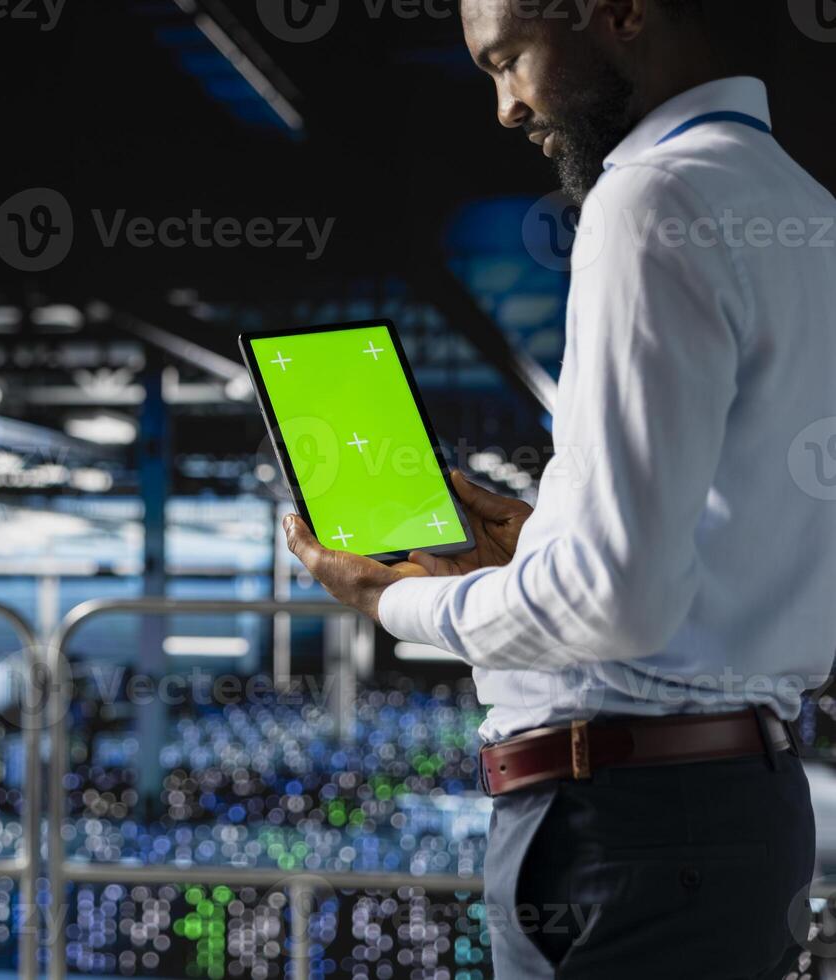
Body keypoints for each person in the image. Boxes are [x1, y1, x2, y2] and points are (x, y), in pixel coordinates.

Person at [280, 1, 835, 976]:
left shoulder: (649, 199)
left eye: (509, 61)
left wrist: (392, 598)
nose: (505, 108)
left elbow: (614, 600)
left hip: (625, 831)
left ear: (618, 14)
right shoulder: (807, 211)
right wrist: (544, 542)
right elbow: (729, 541)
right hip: (733, 815)